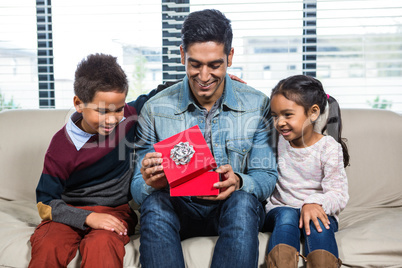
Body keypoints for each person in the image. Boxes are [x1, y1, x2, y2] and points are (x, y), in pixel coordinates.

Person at [130, 9, 278, 268]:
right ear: (181, 55)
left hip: (232, 209)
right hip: (178, 208)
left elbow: (266, 176)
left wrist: (239, 181)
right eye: (195, 64)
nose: (204, 76)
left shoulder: (258, 105)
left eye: (215, 65)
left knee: (244, 200)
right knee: (154, 204)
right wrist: (149, 181)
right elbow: (136, 187)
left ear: (230, 57)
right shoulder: (155, 109)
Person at [28, 53, 173, 268]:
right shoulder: (61, 145)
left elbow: (160, 92)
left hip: (115, 211)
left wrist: (218, 81)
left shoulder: (128, 117)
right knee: (48, 245)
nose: (113, 119)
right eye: (102, 111)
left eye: (118, 109)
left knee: (102, 245)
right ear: (78, 103)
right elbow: (45, 203)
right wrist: (87, 218)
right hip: (69, 211)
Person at [263, 75, 349, 267]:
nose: (279, 122)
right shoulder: (275, 141)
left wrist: (313, 203)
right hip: (280, 209)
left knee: (318, 224)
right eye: (275, 116)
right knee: (287, 216)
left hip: (317, 209)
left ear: (313, 113)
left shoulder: (329, 148)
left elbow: (339, 195)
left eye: (287, 114)